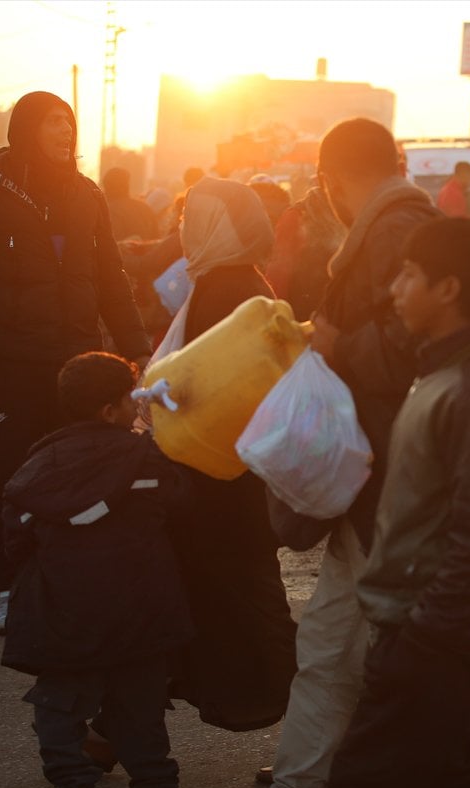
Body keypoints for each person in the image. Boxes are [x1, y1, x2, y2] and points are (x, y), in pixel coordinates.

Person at [0, 90, 150, 635]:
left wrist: (135, 346)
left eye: (70, 123)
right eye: (54, 122)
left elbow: (111, 279)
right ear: (27, 128)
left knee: (81, 468)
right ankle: (11, 589)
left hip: (77, 357)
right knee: (16, 473)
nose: (65, 132)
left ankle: (71, 583)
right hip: (13, 358)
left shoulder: (86, 196)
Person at [271, 117, 439, 788]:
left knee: (382, 650)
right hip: (371, 473)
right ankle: (303, 780)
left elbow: (411, 342)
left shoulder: (396, 228)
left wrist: (338, 347)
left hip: (387, 474)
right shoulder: (393, 223)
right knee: (334, 645)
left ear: (332, 175)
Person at [326, 217, 470, 788]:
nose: (394, 291)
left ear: (449, 289)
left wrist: (424, 638)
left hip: (425, 640)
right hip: (411, 633)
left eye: (409, 276)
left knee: (359, 782)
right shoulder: (436, 377)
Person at [2, 352, 192, 788]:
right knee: (141, 702)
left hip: (62, 609)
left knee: (60, 695)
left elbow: (14, 540)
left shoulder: (39, 464)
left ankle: (72, 781)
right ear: (110, 411)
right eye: (130, 399)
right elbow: (185, 507)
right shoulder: (145, 458)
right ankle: (153, 782)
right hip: (139, 609)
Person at [156, 177, 297, 734]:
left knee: (250, 614)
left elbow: (212, 387)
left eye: (196, 215)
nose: (185, 225)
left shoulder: (228, 289)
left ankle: (326, 741)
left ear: (221, 226)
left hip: (222, 484)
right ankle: (112, 735)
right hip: (226, 481)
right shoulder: (225, 281)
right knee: (217, 606)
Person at [262, 186, 345, 322]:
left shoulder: (298, 213)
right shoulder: (351, 207)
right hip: (329, 303)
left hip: (304, 303)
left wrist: (275, 311)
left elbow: (280, 267)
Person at [101, 167, 158, 242]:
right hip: (149, 252)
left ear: (106, 187)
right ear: (127, 185)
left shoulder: (107, 211)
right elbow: (157, 240)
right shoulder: (145, 208)